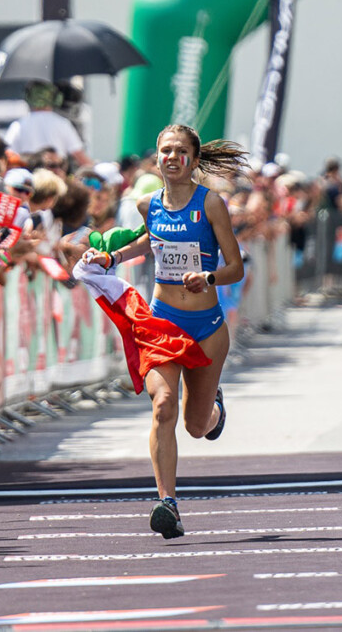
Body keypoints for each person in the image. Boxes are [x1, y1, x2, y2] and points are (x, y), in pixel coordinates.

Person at [83, 124, 245, 539]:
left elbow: (235, 267)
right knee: (163, 405)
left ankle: (214, 410)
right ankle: (167, 502)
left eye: (180, 150)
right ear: (157, 158)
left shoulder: (211, 204)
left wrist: (208, 278)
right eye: (165, 150)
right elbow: (148, 242)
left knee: (196, 426)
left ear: (194, 159)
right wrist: (111, 258)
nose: (172, 157)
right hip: (161, 324)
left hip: (206, 328)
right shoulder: (147, 204)